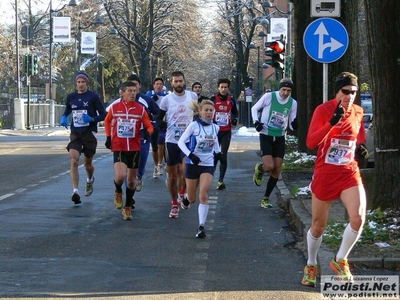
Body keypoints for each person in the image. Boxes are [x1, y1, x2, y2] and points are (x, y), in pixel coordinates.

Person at [301, 72, 368, 287]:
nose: (349, 96)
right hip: (325, 173)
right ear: (337, 92)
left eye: (353, 92)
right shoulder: (324, 110)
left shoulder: (358, 111)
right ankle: (311, 264)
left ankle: (340, 260)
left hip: (349, 172)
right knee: (319, 226)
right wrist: (331, 122)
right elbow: (311, 142)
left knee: (358, 218)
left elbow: (359, 139)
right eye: (345, 92)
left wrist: (361, 150)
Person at [104, 81, 154, 220]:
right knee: (120, 176)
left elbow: (149, 126)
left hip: (134, 148)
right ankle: (118, 191)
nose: (133, 93)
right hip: (119, 146)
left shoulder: (140, 109)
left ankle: (127, 207)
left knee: (132, 181)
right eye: (130, 91)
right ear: (123, 93)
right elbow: (107, 121)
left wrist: (148, 133)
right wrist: (108, 137)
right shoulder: (115, 108)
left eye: (134, 91)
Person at [178, 100, 225, 238]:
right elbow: (181, 142)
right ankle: (186, 198)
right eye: (206, 110)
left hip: (208, 164)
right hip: (193, 164)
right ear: (200, 112)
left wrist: (218, 153)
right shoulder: (194, 126)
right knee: (192, 199)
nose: (209, 112)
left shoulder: (216, 127)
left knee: (203, 194)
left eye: (211, 110)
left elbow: (215, 142)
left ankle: (201, 227)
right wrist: (190, 155)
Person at [60, 71, 106, 205]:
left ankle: (90, 180)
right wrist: (64, 117)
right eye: (78, 82)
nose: (80, 85)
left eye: (83, 82)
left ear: (87, 83)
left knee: (87, 164)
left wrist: (92, 119)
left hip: (89, 133)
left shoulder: (93, 97)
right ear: (76, 83)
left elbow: (103, 114)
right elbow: (68, 110)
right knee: (74, 160)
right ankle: (75, 191)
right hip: (75, 133)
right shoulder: (71, 97)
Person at [156, 71, 198, 218]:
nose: (178, 84)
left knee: (185, 170)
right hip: (172, 141)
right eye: (176, 81)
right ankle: (174, 203)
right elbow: (158, 119)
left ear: (184, 81)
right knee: (173, 176)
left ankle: (182, 193)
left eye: (181, 81)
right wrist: (164, 124)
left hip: (187, 140)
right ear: (172, 83)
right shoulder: (166, 100)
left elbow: (197, 115)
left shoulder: (193, 96)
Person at [251, 78, 298, 208]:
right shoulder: (269, 97)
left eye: (288, 90)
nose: (285, 93)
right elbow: (254, 108)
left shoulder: (293, 103)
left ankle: (265, 197)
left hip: (279, 137)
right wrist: (256, 122)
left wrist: (295, 125)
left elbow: (292, 123)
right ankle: (260, 169)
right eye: (283, 89)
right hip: (266, 135)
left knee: (277, 169)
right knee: (269, 166)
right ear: (280, 88)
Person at [210, 78, 238, 190]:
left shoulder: (231, 100)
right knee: (213, 155)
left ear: (228, 88)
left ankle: (220, 180)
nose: (223, 89)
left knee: (223, 154)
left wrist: (234, 119)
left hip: (226, 131)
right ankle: (209, 178)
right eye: (221, 87)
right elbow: (205, 111)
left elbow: (235, 113)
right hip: (214, 131)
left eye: (225, 87)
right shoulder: (213, 99)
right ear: (218, 88)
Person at [146, 77, 169, 179]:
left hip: (163, 124)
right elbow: (146, 108)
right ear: (154, 85)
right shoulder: (149, 95)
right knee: (155, 147)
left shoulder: (167, 96)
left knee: (162, 143)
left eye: (160, 84)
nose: (159, 86)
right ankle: (156, 166)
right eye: (157, 84)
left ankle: (161, 164)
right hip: (152, 123)